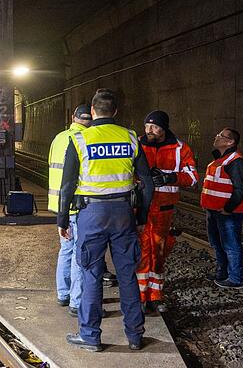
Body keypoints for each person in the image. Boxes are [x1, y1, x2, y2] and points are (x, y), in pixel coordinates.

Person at [58, 89, 154, 352]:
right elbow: (147, 183)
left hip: (91, 214)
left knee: (91, 274)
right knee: (127, 274)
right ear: (115, 111)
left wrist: (62, 220)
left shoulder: (80, 139)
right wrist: (141, 217)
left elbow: (67, 185)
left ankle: (90, 336)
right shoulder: (130, 138)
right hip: (123, 213)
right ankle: (135, 336)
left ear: (92, 111)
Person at [137, 110, 197, 313]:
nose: (149, 130)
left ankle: (155, 296)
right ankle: (139, 296)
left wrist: (170, 178)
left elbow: (193, 178)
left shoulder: (180, 148)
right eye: (147, 126)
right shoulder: (137, 143)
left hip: (163, 210)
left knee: (159, 252)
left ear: (164, 128)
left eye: (154, 127)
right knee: (141, 252)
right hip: (141, 207)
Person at [48, 104, 93, 313]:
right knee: (79, 253)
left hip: (59, 204)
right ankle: (77, 301)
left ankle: (63, 293)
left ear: (73, 117)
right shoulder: (85, 139)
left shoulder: (58, 138)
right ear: (91, 119)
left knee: (65, 249)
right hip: (76, 204)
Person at [200, 127, 243, 289]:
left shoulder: (236, 161)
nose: (217, 136)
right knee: (217, 243)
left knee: (231, 245)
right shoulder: (219, 160)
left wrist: (228, 208)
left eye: (221, 136)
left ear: (230, 142)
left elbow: (240, 188)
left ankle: (235, 279)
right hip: (214, 211)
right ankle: (222, 273)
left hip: (227, 213)